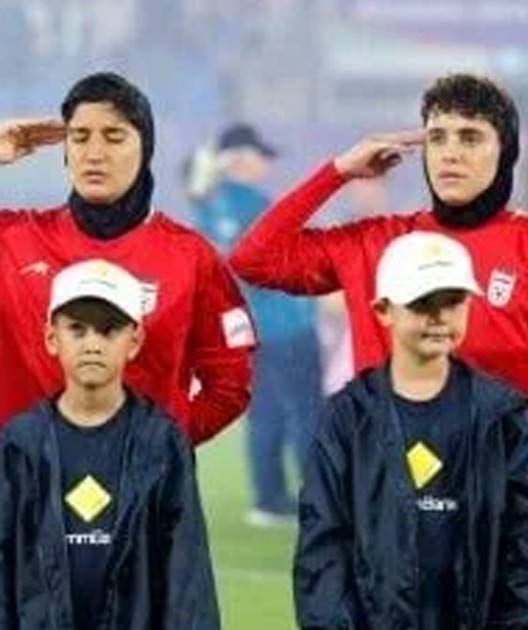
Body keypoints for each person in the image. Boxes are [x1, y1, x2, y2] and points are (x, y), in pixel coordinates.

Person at [0, 71, 255, 446]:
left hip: (145, 489)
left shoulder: (190, 257)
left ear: (146, 149)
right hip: (23, 487)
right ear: (66, 152)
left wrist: (162, 447)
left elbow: (230, 385)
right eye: (80, 137)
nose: (94, 154)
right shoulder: (9, 240)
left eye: (114, 137)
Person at [0, 259, 220, 629]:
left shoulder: (162, 442)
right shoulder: (20, 442)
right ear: (52, 338)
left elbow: (188, 581)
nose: (92, 344)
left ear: (135, 341)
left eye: (109, 330)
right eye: (77, 329)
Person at [230, 73, 528, 395]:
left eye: (470, 138)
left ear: (505, 151)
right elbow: (253, 260)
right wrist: (338, 172)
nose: (450, 153)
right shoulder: (376, 242)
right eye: (437, 138)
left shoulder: (522, 243)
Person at [294, 231, 528, 628]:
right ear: (383, 309)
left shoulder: (504, 416)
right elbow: (324, 550)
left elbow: (522, 547)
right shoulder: (347, 418)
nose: (439, 317)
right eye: (422, 303)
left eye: (452, 301)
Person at [189, 123, 321, 525]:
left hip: (250, 329)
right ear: (240, 159)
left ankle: (268, 499)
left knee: (265, 413)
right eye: (260, 155)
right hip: (287, 324)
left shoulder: (209, 207)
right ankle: (318, 498)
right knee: (307, 413)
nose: (265, 163)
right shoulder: (258, 206)